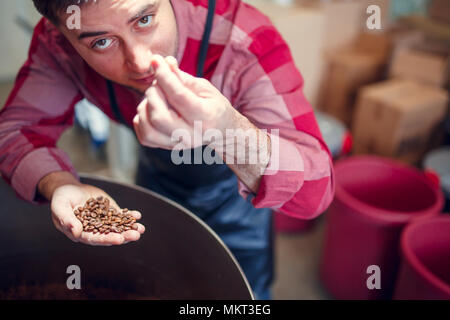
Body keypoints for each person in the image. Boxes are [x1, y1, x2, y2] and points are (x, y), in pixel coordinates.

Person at [0, 0, 334, 299]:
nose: (142, 62)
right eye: (102, 42)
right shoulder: (59, 44)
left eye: (144, 19)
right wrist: (60, 184)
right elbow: (14, 129)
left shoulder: (244, 39)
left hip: (238, 194)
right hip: (157, 181)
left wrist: (226, 130)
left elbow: (316, 191)